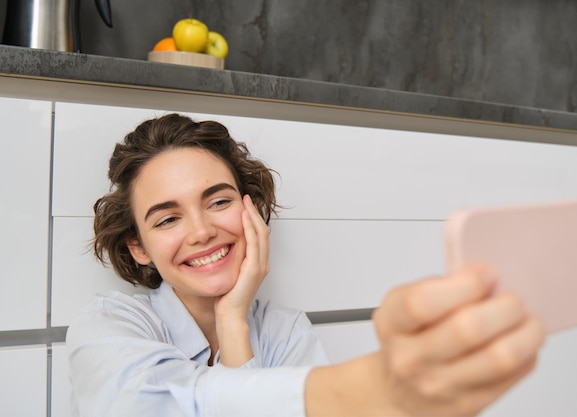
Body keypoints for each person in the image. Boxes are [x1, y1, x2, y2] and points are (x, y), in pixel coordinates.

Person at [66, 113, 546, 417]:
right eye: (168, 218)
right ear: (139, 247)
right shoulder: (108, 327)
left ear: (250, 209)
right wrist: (379, 390)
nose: (200, 232)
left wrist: (233, 321)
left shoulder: (286, 331)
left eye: (217, 202)